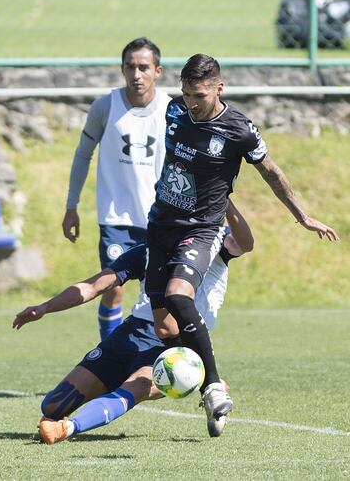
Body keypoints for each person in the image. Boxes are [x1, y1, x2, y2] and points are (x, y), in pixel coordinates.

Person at [144, 53, 339, 429]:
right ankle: (203, 385)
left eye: (198, 95)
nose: (191, 103)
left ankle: (214, 385)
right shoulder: (173, 111)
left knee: (179, 295)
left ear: (219, 88)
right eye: (185, 94)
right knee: (166, 329)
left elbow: (272, 173)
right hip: (161, 226)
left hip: (202, 229)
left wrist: (302, 215)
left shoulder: (239, 130)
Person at [13, 199, 254, 441]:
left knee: (137, 386)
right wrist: (44, 307)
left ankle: (68, 429)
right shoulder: (149, 250)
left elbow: (246, 242)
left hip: (175, 344)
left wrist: (224, 201)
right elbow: (94, 286)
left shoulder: (214, 243)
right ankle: (211, 382)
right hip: (131, 335)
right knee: (54, 405)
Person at [62, 37, 170, 340]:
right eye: (130, 67)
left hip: (158, 219)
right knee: (112, 289)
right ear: (122, 69)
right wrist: (72, 206)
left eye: (144, 67)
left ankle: (148, 360)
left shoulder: (171, 110)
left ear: (157, 71)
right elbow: (83, 154)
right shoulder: (105, 106)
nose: (136, 75)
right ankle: (107, 360)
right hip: (116, 219)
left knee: (156, 299)